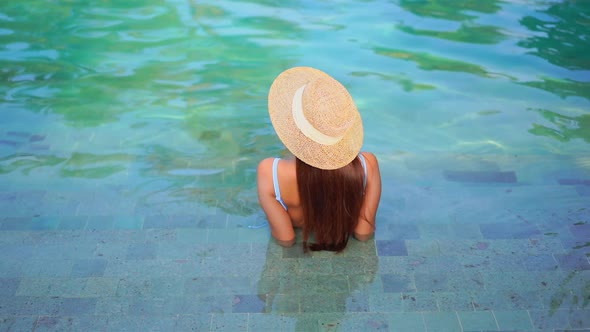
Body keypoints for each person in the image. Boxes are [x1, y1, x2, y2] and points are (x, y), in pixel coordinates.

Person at [257, 66, 382, 252]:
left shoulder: (270, 172)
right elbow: (363, 233)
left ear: (293, 125)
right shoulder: (368, 165)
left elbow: (286, 239)